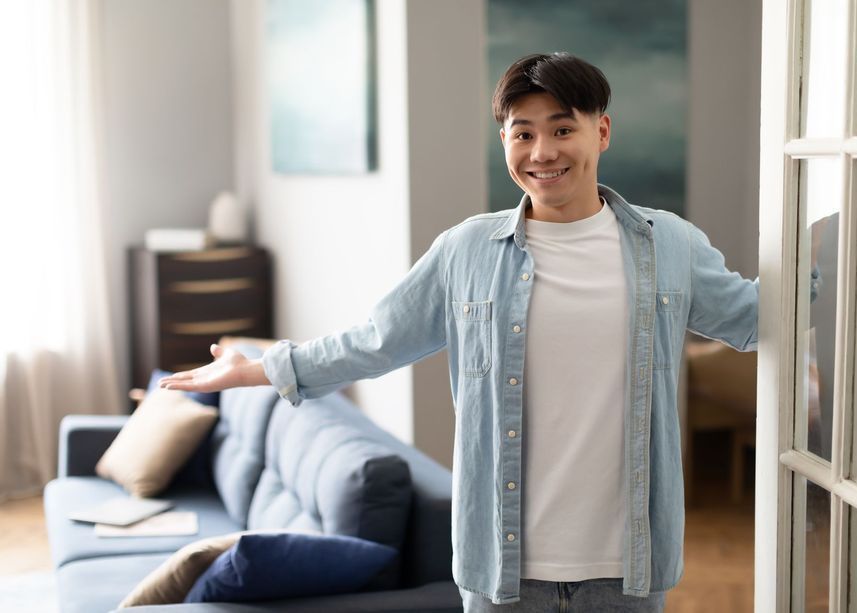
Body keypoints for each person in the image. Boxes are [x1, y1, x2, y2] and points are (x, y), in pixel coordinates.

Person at [159, 52, 764, 612]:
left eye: (562, 129)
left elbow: (753, 317)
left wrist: (829, 242)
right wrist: (261, 366)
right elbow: (377, 339)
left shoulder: (669, 245)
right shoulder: (466, 250)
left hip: (629, 567)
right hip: (501, 569)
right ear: (504, 140)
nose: (542, 151)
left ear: (600, 132)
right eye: (523, 133)